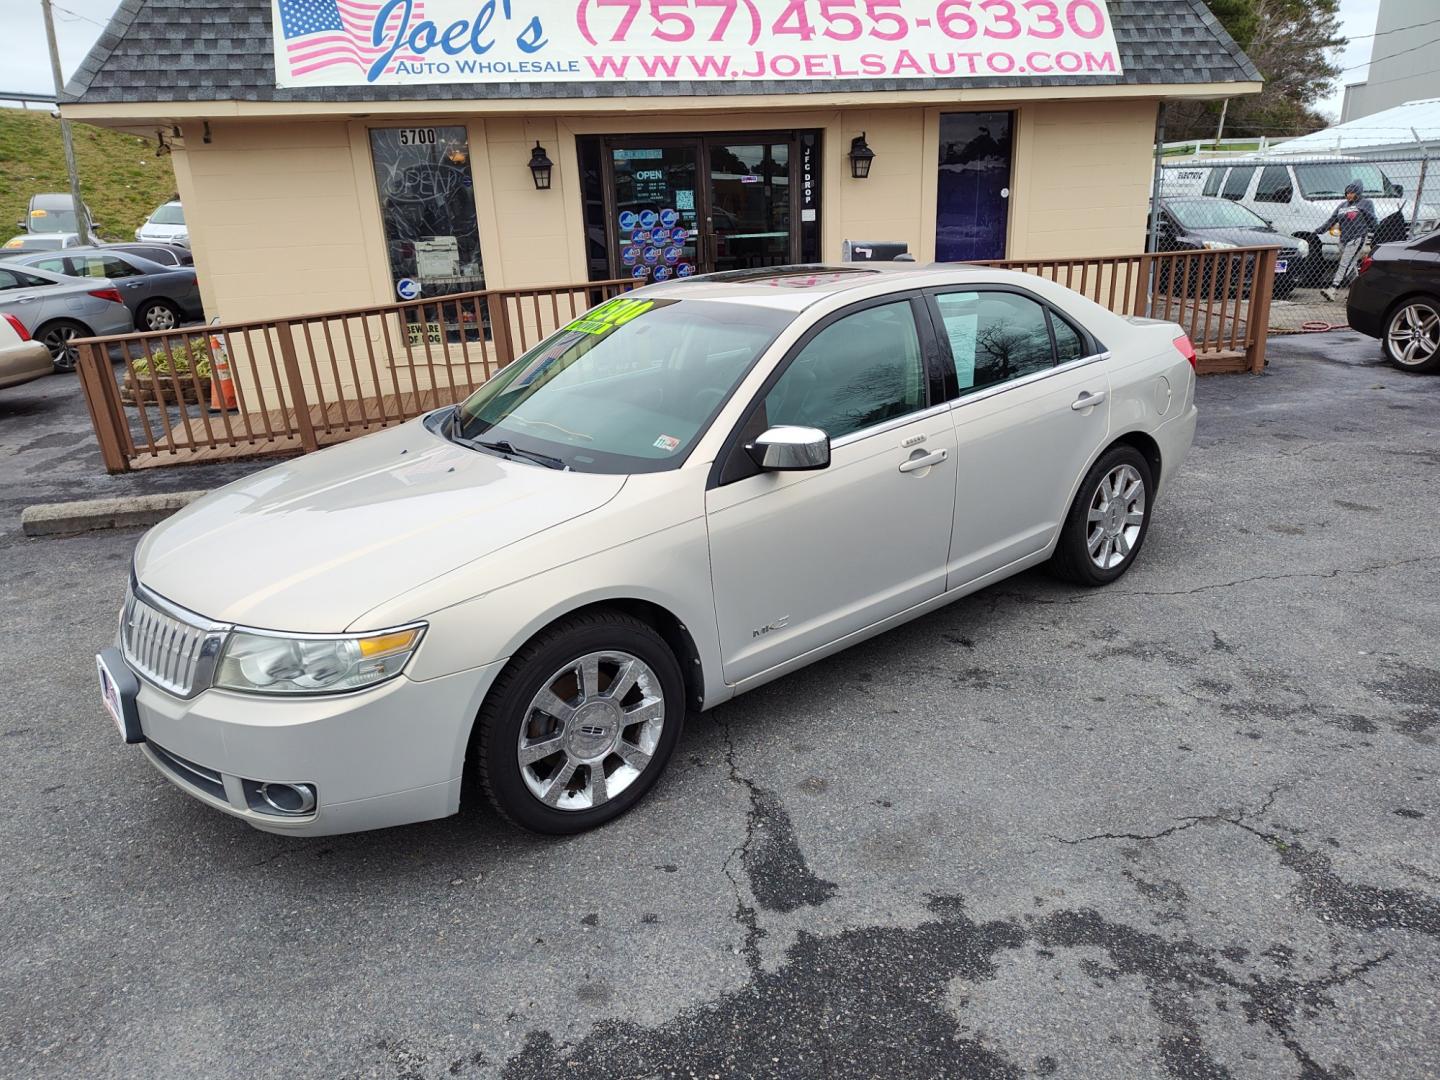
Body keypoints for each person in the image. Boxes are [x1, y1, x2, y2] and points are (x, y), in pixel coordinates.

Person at [1319, 180, 1378, 302]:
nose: (1349, 195)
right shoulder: (1342, 206)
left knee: (1345, 264)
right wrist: (1319, 230)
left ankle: (1333, 289)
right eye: (1347, 193)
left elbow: (1373, 221)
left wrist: (1364, 213)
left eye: (1352, 193)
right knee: (1351, 266)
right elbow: (1332, 220)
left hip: (1357, 238)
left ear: (1358, 193)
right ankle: (1358, 291)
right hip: (1343, 240)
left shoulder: (1366, 203)